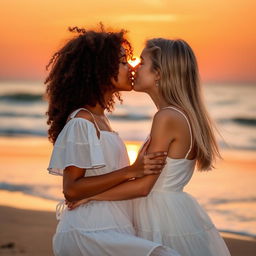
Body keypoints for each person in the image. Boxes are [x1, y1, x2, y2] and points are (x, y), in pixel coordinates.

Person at [68, 38, 231, 256]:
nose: (135, 66)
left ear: (159, 73)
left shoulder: (167, 117)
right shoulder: (175, 114)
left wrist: (90, 196)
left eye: (142, 62)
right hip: (169, 211)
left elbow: (144, 187)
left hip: (161, 216)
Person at [45, 27, 180, 256]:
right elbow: (71, 189)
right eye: (123, 62)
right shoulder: (82, 121)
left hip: (110, 226)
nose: (131, 67)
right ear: (100, 70)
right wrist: (131, 171)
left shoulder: (101, 120)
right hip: (88, 230)